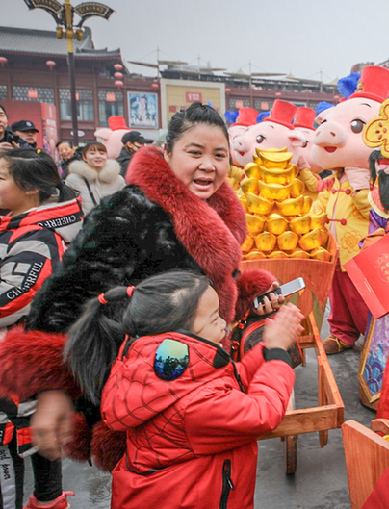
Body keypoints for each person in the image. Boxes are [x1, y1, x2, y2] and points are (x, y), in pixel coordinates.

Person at [0, 102, 279, 474]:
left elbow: (200, 294)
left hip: (202, 385)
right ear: (167, 152)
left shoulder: (217, 211)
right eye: (194, 152)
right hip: (142, 393)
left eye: (219, 155)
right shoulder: (132, 208)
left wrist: (248, 295)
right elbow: (67, 294)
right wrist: (54, 386)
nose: (208, 165)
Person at [64, 270, 301, 508]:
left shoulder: (161, 359)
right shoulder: (193, 404)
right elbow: (262, 413)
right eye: (213, 318)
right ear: (182, 335)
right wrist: (278, 354)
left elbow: (229, 380)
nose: (224, 323)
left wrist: (266, 349)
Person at [0, 148, 83, 509]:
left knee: (25, 444)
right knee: (36, 444)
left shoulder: (38, 236)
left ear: (29, 188)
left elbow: (13, 297)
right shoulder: (13, 226)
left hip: (21, 373)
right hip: (23, 372)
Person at [65, 141, 126, 216]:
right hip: (84, 225)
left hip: (112, 225)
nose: (98, 156)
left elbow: (125, 204)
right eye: (92, 153)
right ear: (85, 157)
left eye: (102, 153)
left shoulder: (118, 179)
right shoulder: (73, 179)